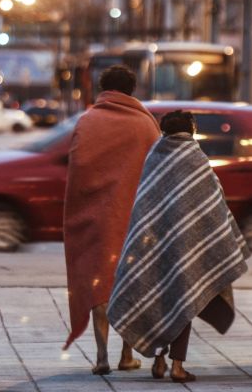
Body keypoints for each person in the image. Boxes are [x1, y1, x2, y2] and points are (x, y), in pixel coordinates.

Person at [107, 110, 251, 383]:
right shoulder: (195, 157)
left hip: (152, 244)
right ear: (191, 129)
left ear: (165, 131)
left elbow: (146, 202)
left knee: (159, 297)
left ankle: (159, 362)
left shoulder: (154, 156)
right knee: (183, 296)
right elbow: (212, 202)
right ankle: (177, 366)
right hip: (188, 244)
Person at [62, 64, 161, 375]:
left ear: (104, 88)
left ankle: (102, 355)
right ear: (132, 90)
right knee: (130, 283)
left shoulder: (88, 121)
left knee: (98, 282)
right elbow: (156, 170)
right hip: (133, 217)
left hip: (95, 216)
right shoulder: (145, 125)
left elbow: (77, 165)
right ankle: (126, 354)